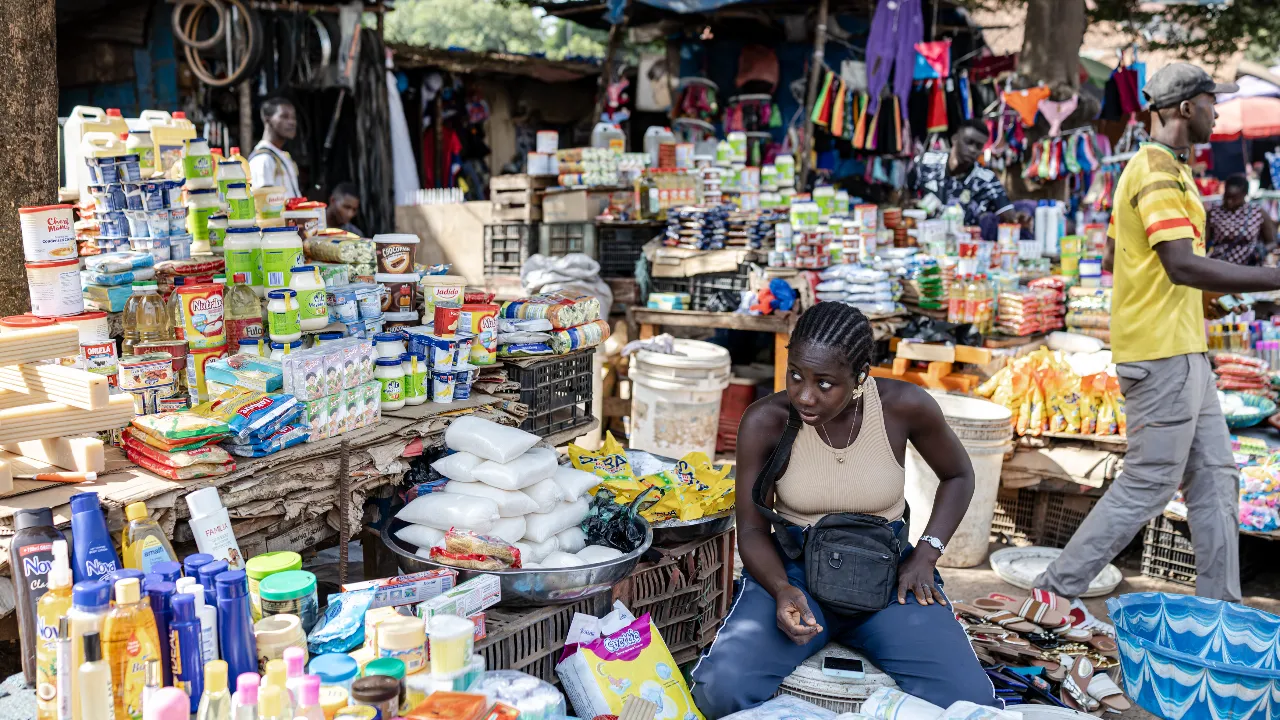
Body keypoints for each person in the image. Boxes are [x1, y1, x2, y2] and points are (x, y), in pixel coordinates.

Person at [1032, 64, 1280, 613]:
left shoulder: (1172, 169)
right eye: (1214, 102)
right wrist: (1272, 277)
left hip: (1186, 352)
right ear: (1186, 107)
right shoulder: (1156, 172)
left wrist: (1224, 298)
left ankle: (1223, 612)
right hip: (1160, 355)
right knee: (1148, 483)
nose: (1219, 112)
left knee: (1217, 480)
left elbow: (1158, 268)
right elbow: (1179, 265)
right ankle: (1054, 589)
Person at [691, 302, 997, 717]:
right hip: (795, 571)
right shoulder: (767, 421)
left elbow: (959, 476)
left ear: (860, 376)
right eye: (795, 374)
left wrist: (926, 554)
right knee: (720, 691)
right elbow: (750, 531)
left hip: (889, 576)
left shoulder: (902, 406)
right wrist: (781, 590)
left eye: (825, 383)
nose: (804, 394)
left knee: (970, 702)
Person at [908, 118, 1026, 227]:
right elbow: (905, 198)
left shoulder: (986, 179)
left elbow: (1008, 214)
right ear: (954, 139)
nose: (972, 149)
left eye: (978, 146)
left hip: (964, 244)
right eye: (968, 142)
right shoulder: (925, 162)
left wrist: (1019, 219)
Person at [1206, 174, 1276, 265]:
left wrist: (1261, 251)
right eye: (1227, 196)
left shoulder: (1257, 212)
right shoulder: (1214, 212)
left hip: (1249, 267)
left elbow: (1272, 242)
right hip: (1221, 266)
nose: (1229, 201)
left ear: (1244, 194)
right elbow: (1204, 242)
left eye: (1234, 198)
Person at [249, 96, 303, 199]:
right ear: (267, 119)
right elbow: (265, 203)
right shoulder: (263, 159)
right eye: (284, 116)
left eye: (293, 118)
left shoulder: (282, 156)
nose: (292, 122)